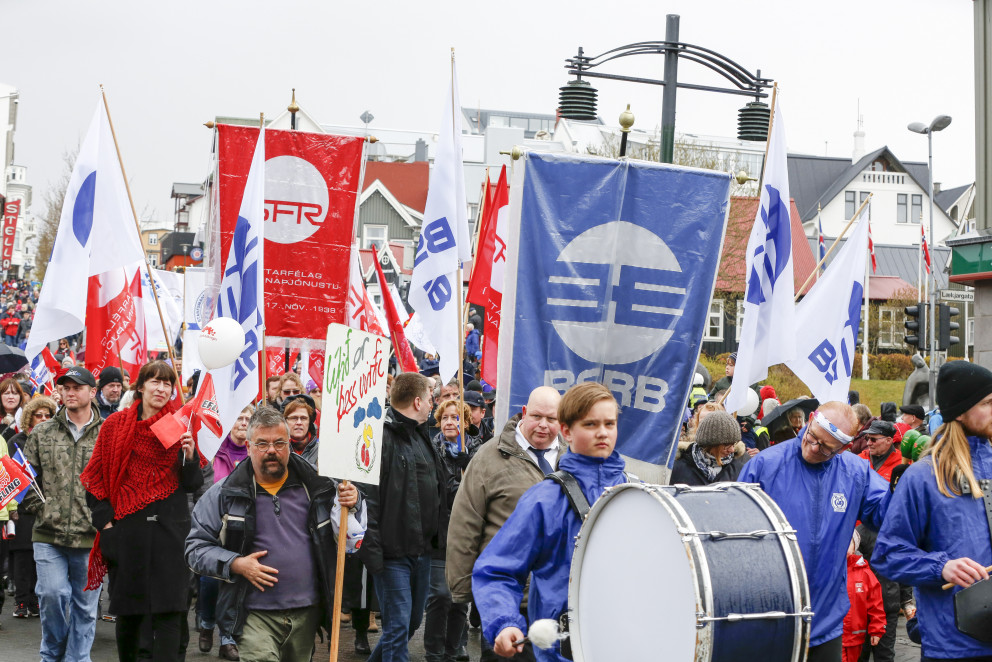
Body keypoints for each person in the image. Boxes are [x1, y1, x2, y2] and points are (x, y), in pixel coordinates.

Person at [186, 406, 363, 662]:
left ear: (289, 445)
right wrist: (236, 563)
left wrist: (354, 500)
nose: (271, 450)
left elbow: (349, 522)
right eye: (262, 443)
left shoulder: (317, 487)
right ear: (248, 447)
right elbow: (195, 549)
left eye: (279, 443)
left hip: (306, 614)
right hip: (253, 615)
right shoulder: (224, 494)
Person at [473, 382, 628, 662]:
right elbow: (497, 570)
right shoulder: (544, 499)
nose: (603, 432)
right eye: (591, 424)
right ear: (566, 431)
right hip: (561, 652)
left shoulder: (635, 495)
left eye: (610, 423)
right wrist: (504, 621)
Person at [739, 401, 890, 662]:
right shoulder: (765, 465)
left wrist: (900, 491)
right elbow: (736, 533)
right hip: (770, 619)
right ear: (810, 419)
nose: (813, 448)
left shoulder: (856, 473)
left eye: (826, 448)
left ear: (844, 448)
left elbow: (885, 516)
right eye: (812, 437)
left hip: (826, 622)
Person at [80, 360, 207, 662]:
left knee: (171, 616)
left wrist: (189, 456)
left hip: (170, 536)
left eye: (167, 383)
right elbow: (94, 483)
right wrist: (108, 528)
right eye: (155, 381)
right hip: (128, 536)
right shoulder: (115, 426)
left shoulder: (180, 425)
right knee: (131, 621)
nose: (161, 389)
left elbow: (192, 484)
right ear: (140, 386)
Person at [872, 361, 992, 661]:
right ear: (960, 412)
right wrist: (940, 567)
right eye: (988, 403)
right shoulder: (923, 477)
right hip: (954, 644)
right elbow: (888, 554)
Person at [446, 386, 564, 662]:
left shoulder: (571, 458)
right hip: (507, 598)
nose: (543, 425)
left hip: (555, 602)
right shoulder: (490, 457)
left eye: (551, 419)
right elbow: (465, 523)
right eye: (536, 416)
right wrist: (464, 589)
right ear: (523, 413)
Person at [360, 372, 447, 662]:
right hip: (392, 554)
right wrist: (374, 553)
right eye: (431, 398)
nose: (433, 404)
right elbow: (369, 499)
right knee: (397, 627)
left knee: (410, 623)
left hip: (422, 552)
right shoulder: (379, 437)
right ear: (418, 402)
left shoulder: (422, 435)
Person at [20, 367, 104, 662]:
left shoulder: (107, 433)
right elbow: (25, 477)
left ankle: (77, 658)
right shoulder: (43, 432)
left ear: (92, 392)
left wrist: (106, 519)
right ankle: (52, 655)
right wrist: (41, 506)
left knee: (85, 608)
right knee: (52, 595)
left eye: (77, 387)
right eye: (65, 387)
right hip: (48, 533)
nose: (70, 392)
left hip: (91, 537)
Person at [425, 398, 481, 662]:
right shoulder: (431, 449)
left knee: (460, 597)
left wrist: (467, 463)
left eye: (456, 417)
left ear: (466, 423)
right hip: (439, 531)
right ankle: (433, 653)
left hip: (466, 533)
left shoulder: (478, 451)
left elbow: (480, 488)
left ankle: (453, 650)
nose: (450, 422)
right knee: (439, 595)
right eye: (445, 417)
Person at [197, 405, 253, 660]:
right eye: (239, 417)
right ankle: (207, 623)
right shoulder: (214, 453)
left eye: (248, 418)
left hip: (245, 528)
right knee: (211, 579)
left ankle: (227, 637)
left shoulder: (255, 455)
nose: (243, 422)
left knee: (236, 582)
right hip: (217, 525)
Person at [6, 396, 56, 620]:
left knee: (41, 557)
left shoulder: (54, 440)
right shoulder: (16, 441)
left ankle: (35, 600)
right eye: (39, 415)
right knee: (23, 555)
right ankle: (21, 601)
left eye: (48, 415)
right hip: (22, 506)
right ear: (29, 417)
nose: (43, 418)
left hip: (47, 505)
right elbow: (11, 474)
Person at [670, 410, 748, 485]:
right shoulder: (677, 469)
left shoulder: (740, 469)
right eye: (726, 445)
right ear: (710, 443)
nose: (732, 450)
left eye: (734, 444)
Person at [843, 530, 886, 662]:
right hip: (833, 635)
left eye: (848, 542)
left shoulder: (864, 573)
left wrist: (877, 629)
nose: (844, 546)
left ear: (855, 546)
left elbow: (876, 604)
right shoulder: (827, 571)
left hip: (855, 636)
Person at [281, 394, 319, 467]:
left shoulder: (321, 451)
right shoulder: (278, 449)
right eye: (294, 418)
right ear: (285, 421)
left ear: (309, 421)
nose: (299, 422)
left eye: (303, 418)